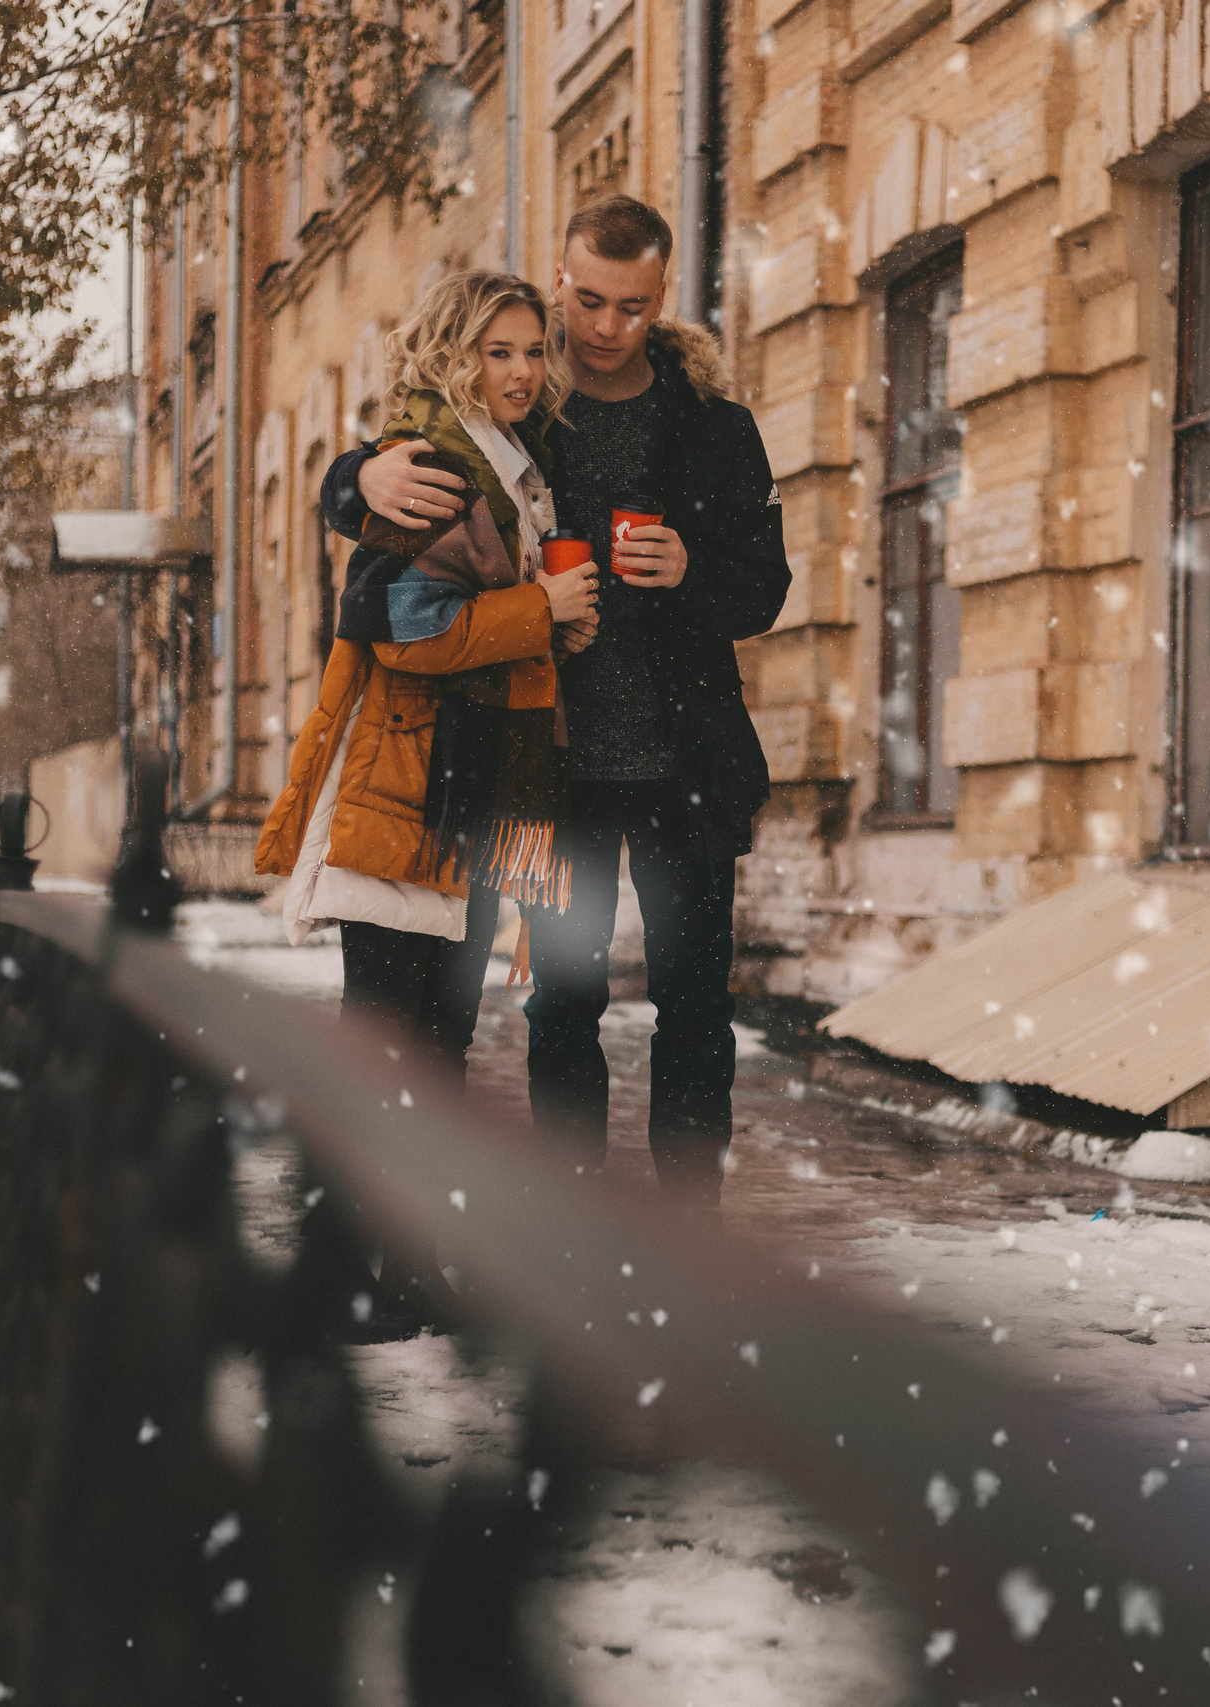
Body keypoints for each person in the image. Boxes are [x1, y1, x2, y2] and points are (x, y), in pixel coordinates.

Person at [321, 196, 790, 1205]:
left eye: (633, 306)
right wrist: (357, 475)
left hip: (686, 773)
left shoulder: (715, 429)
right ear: (560, 281)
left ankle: (686, 1231)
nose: (605, 328)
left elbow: (766, 588)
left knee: (695, 1012)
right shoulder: (519, 407)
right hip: (544, 776)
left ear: (662, 300)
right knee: (560, 1008)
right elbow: (409, 453)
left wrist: (689, 572)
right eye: (586, 300)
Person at [258, 272, 600, 1091]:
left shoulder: (515, 463)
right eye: (497, 353)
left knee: (440, 1038)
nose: (521, 372)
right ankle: (352, 1214)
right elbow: (412, 635)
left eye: (532, 351)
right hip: (411, 786)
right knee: (390, 1035)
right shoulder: (437, 468)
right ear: (454, 356)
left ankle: (400, 1212)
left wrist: (554, 622)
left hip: (464, 789)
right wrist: (536, 609)